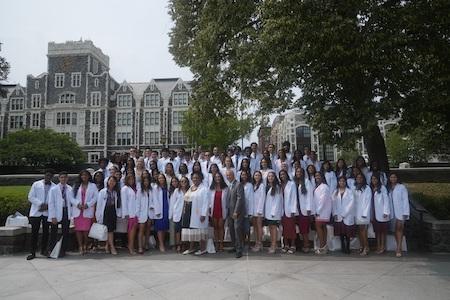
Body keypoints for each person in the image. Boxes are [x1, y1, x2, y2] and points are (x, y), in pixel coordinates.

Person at [27, 169, 56, 260]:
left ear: (52, 177)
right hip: (36, 211)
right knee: (34, 233)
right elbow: (31, 196)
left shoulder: (54, 187)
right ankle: (32, 252)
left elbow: (55, 199)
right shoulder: (36, 184)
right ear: (44, 175)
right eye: (47, 175)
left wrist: (47, 206)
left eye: (50, 176)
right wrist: (40, 204)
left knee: (46, 233)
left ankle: (44, 250)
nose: (48, 177)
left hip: (47, 212)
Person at [181, 172, 209, 255]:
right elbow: (186, 197)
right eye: (193, 178)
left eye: (197, 178)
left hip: (199, 214)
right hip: (190, 213)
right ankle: (191, 248)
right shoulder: (191, 187)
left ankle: (203, 249)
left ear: (200, 179)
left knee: (201, 231)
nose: (195, 179)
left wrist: (203, 214)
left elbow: (206, 202)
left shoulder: (204, 189)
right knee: (192, 231)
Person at [71, 170, 98, 255]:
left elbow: (95, 197)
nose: (84, 177)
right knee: (78, 230)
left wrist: (88, 204)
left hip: (87, 209)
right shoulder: (76, 185)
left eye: (86, 175)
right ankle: (80, 246)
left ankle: (85, 245)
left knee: (86, 230)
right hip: (78, 210)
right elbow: (71, 197)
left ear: (89, 176)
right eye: (82, 175)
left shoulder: (93, 186)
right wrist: (77, 204)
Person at [48, 171, 72, 258]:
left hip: (66, 211)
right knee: (54, 232)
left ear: (67, 178)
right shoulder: (54, 189)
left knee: (65, 232)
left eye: (65, 177)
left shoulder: (70, 189)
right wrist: (52, 216)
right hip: (56, 212)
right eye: (61, 177)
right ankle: (52, 249)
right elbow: (51, 203)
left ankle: (63, 250)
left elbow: (72, 202)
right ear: (59, 178)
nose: (63, 179)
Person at [96, 176, 121, 255]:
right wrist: (98, 215)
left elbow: (117, 204)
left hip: (113, 211)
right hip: (105, 211)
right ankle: (112, 247)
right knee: (109, 230)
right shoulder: (103, 192)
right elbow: (99, 204)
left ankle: (107, 246)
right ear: (107, 182)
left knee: (110, 230)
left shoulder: (116, 192)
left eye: (114, 181)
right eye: (110, 181)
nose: (112, 182)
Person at [388, 173, 410, 257]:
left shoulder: (401, 187)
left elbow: (405, 200)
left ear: (397, 178)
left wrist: (405, 213)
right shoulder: (389, 188)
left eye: (394, 177)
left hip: (400, 212)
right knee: (395, 230)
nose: (393, 178)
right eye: (391, 177)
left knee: (399, 229)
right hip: (392, 212)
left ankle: (399, 248)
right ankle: (398, 245)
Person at [332, 176, 356, 254]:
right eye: (340, 181)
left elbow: (351, 203)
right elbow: (333, 203)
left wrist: (345, 213)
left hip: (347, 215)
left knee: (347, 233)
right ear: (338, 182)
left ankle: (348, 247)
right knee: (341, 233)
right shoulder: (335, 191)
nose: (341, 182)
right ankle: (342, 246)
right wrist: (335, 213)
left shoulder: (349, 191)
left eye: (343, 181)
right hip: (338, 215)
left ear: (346, 182)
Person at [226, 169, 246, 258]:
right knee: (231, 230)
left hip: (236, 212)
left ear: (233, 175)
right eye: (227, 175)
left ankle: (239, 250)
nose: (228, 177)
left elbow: (240, 199)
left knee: (237, 230)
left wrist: (236, 212)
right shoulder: (229, 185)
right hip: (229, 212)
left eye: (229, 175)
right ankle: (234, 246)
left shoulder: (238, 184)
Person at [294, 167, 313, 253]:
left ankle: (306, 245)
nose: (298, 173)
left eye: (300, 172)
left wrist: (309, 208)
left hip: (304, 209)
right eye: (297, 171)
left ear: (303, 173)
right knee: (298, 229)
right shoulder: (294, 182)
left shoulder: (306, 182)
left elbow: (309, 196)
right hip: (296, 209)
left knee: (304, 230)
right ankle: (298, 245)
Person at [370, 173, 390, 254]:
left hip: (382, 213)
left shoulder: (382, 188)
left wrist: (386, 211)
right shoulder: (371, 188)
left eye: (375, 179)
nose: (374, 181)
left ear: (378, 180)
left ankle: (382, 246)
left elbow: (386, 200)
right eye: (372, 179)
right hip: (375, 212)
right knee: (377, 231)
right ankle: (378, 246)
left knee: (383, 232)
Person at [279, 169, 298, 254]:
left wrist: (293, 210)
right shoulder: (280, 185)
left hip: (290, 210)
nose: (282, 176)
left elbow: (294, 197)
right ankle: (286, 245)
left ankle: (293, 245)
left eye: (283, 174)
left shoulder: (292, 184)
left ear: (287, 175)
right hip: (282, 210)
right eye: (281, 175)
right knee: (284, 229)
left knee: (291, 228)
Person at [209, 172, 229, 252]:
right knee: (215, 227)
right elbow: (209, 200)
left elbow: (227, 200)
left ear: (221, 178)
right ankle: (216, 243)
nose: (217, 178)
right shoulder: (211, 188)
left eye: (219, 177)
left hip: (222, 209)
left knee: (221, 227)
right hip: (214, 210)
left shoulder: (225, 188)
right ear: (214, 178)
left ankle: (221, 243)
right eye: (216, 177)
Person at [313, 172, 332, 255]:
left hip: (321, 211)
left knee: (319, 227)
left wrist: (318, 211)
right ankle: (324, 246)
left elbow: (322, 200)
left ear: (322, 177)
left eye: (318, 176)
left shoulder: (324, 187)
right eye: (315, 176)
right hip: (323, 211)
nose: (317, 177)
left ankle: (321, 247)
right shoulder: (320, 186)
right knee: (323, 228)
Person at [264, 171, 283, 254]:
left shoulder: (277, 187)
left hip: (273, 213)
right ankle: (273, 244)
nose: (270, 178)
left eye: (272, 176)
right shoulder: (268, 187)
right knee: (271, 229)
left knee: (274, 228)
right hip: (269, 213)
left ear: (275, 178)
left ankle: (274, 245)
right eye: (269, 177)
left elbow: (277, 201)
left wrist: (273, 212)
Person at [170, 176, 189, 253]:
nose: (183, 183)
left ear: (187, 182)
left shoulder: (190, 190)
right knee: (178, 230)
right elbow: (173, 203)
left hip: (187, 213)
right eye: (181, 181)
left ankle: (184, 245)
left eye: (185, 181)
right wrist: (172, 214)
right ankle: (178, 245)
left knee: (185, 230)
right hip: (178, 213)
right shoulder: (176, 191)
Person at [354, 173, 372, 256]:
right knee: (359, 231)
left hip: (364, 213)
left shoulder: (367, 188)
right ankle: (361, 246)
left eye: (360, 177)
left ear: (363, 179)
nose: (359, 179)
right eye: (357, 177)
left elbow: (368, 202)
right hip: (356, 213)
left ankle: (366, 247)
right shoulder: (355, 187)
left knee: (363, 231)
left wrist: (365, 213)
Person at [121, 174, 138, 255]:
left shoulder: (134, 188)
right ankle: (130, 247)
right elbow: (124, 202)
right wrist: (126, 214)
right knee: (131, 231)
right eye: (129, 179)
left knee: (133, 231)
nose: (131, 181)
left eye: (132, 179)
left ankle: (131, 246)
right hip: (130, 213)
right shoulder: (124, 189)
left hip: (135, 213)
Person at [153, 174, 170, 252]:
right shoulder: (155, 188)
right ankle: (161, 244)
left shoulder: (167, 187)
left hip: (166, 208)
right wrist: (157, 210)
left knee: (164, 228)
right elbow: (155, 199)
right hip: (159, 209)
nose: (161, 179)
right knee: (159, 228)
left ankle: (162, 242)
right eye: (159, 178)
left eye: (162, 178)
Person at [136, 176, 152, 254]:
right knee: (141, 230)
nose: (146, 183)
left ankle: (146, 244)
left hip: (149, 213)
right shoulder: (139, 191)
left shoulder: (151, 190)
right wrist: (137, 215)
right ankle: (140, 247)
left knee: (148, 229)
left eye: (147, 181)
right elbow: (137, 204)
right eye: (144, 181)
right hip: (142, 213)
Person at [251, 171, 265, 252]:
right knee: (255, 227)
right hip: (253, 210)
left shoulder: (262, 185)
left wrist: (260, 210)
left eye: (258, 175)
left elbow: (262, 198)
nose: (257, 176)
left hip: (259, 210)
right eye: (255, 175)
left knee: (259, 227)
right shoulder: (253, 185)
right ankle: (257, 242)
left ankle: (259, 243)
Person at [240, 170, 254, 247]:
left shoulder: (250, 185)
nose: (243, 176)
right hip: (240, 209)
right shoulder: (239, 184)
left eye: (245, 175)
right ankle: (242, 242)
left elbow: (251, 199)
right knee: (241, 228)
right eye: (242, 175)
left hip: (247, 209)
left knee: (247, 228)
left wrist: (250, 212)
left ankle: (248, 242)